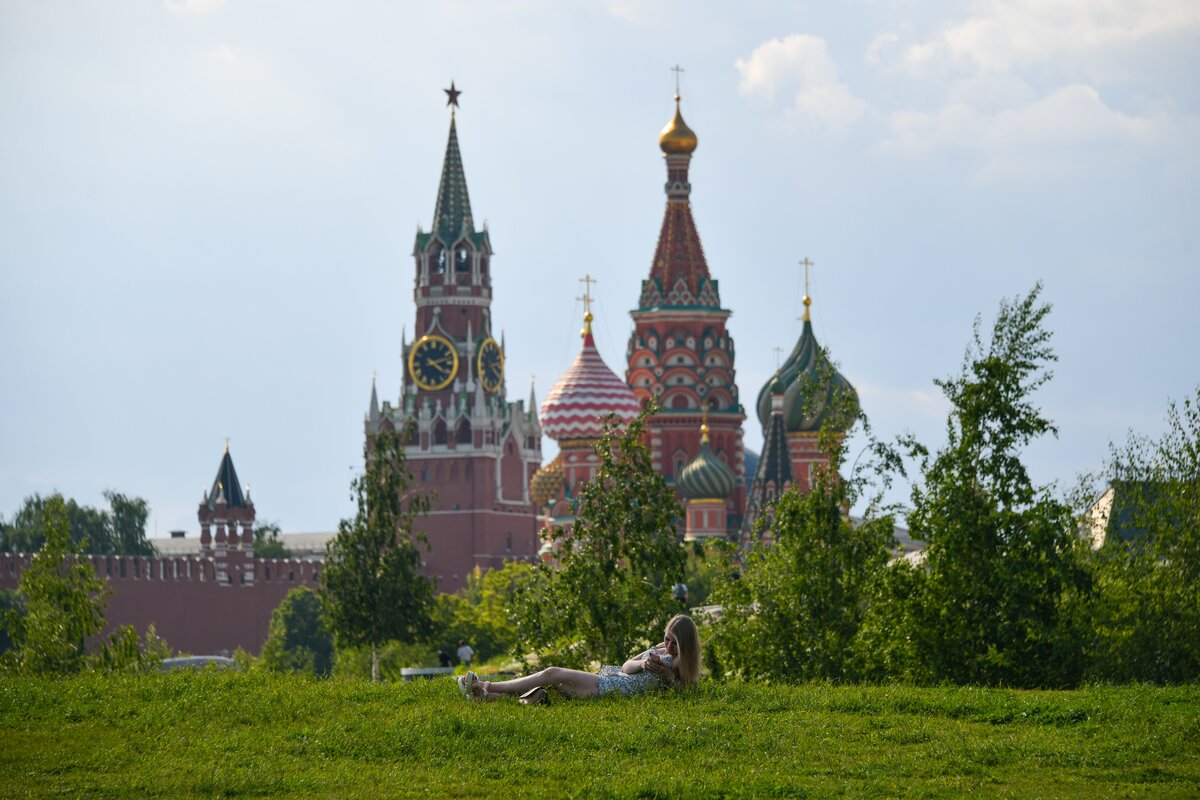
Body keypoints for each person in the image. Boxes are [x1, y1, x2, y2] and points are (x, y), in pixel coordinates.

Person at [456, 614, 701, 701]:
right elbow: (627, 666)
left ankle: (485, 686)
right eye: (666, 639)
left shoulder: (680, 661)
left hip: (608, 688)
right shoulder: (661, 649)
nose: (667, 645)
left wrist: (668, 675)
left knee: (551, 674)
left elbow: (686, 693)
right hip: (611, 679)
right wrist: (643, 662)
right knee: (545, 688)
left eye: (673, 642)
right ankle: (485, 697)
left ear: (685, 645)